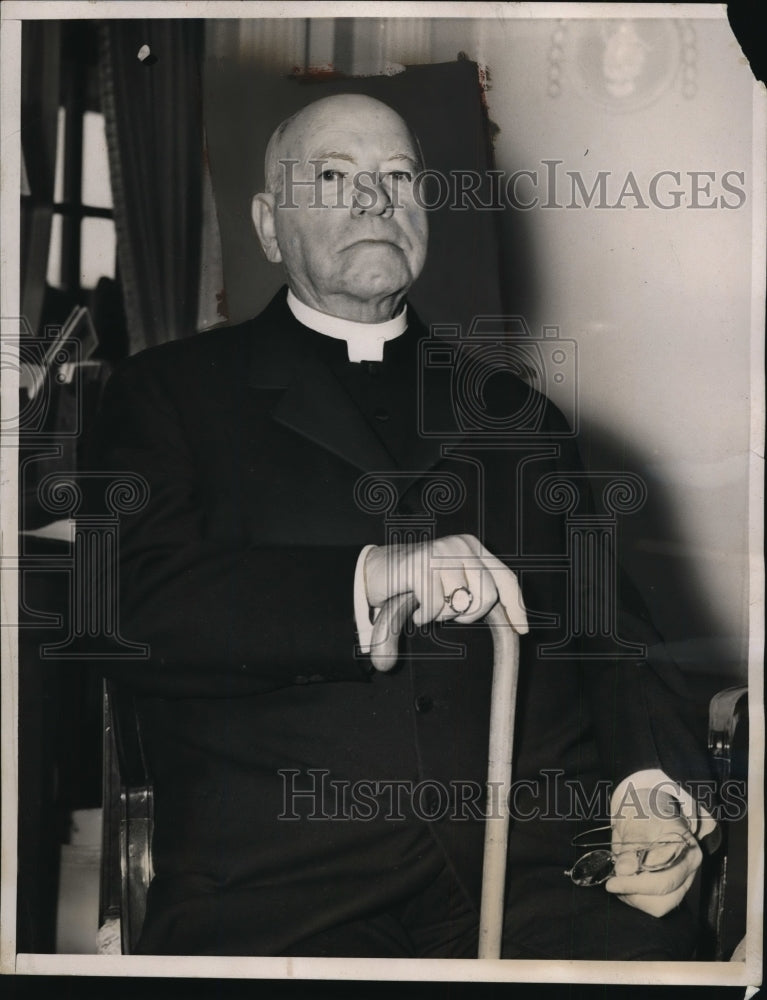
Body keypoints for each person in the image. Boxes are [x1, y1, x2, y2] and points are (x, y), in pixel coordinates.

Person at [90, 93, 717, 959]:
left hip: (538, 869)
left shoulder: (520, 417)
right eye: (333, 177)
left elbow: (615, 629)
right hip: (287, 882)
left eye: (396, 178)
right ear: (270, 227)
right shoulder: (166, 394)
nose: (372, 200)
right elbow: (128, 604)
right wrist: (370, 574)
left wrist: (654, 779)